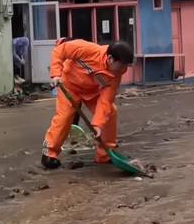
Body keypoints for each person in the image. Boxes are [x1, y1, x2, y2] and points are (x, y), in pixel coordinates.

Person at [42, 39, 133, 169]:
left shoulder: (116, 74)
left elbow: (105, 100)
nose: (123, 70)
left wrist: (97, 125)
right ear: (110, 59)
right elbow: (60, 50)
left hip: (92, 92)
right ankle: (48, 152)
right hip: (70, 86)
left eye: (126, 67)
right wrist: (56, 74)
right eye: (121, 66)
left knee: (111, 112)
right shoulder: (87, 49)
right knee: (63, 118)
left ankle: (105, 154)